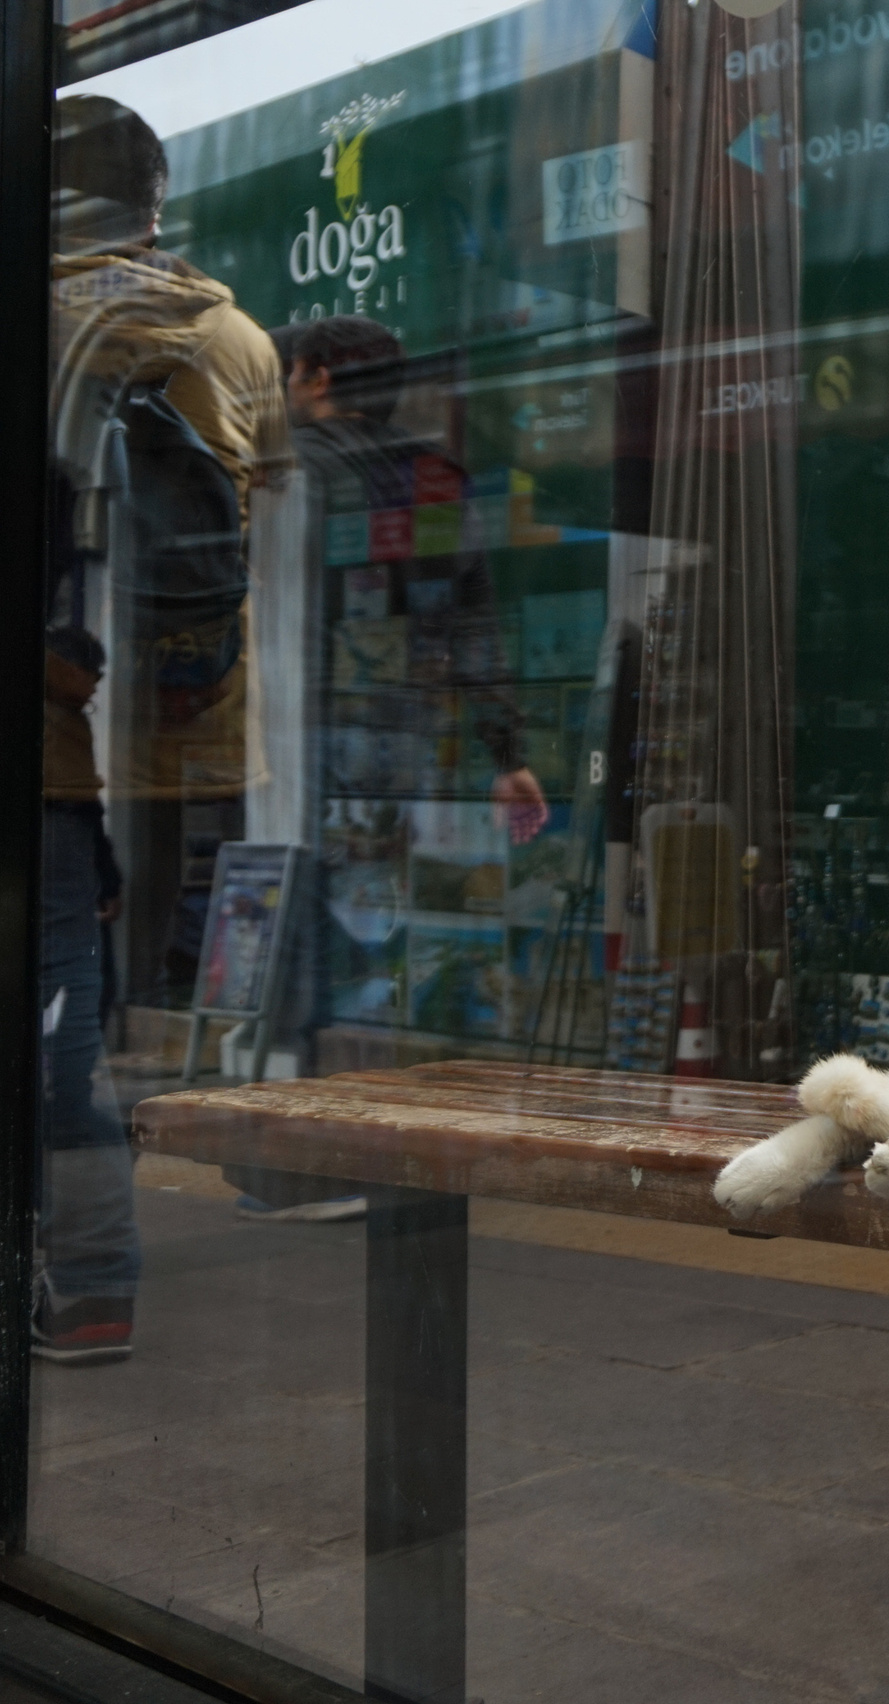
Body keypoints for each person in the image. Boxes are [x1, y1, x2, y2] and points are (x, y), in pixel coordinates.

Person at [40, 94, 293, 1360]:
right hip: (203, 741)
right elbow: (286, 545)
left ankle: (86, 1274)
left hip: (56, 741)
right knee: (127, 1012)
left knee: (62, 1016)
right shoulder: (240, 337)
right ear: (156, 193)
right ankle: (103, 1266)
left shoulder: (39, 319)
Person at [223, 314, 550, 1223]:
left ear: (315, 376)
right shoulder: (434, 477)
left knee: (299, 945)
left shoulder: (291, 470)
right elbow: (474, 618)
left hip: (300, 745)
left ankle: (303, 1161)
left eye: (288, 373)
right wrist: (507, 755)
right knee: (377, 943)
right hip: (409, 751)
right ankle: (371, 1147)